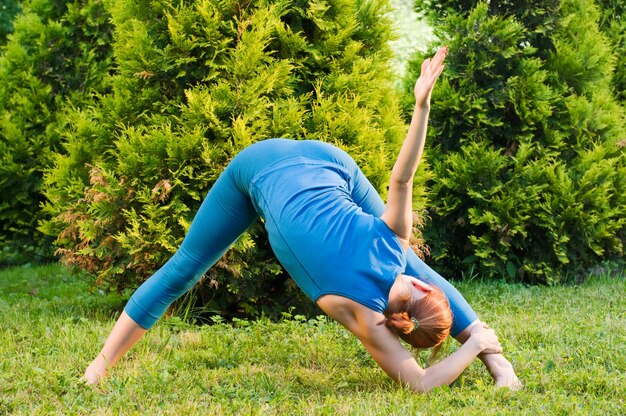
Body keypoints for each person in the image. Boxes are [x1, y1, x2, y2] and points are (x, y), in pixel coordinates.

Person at [83, 47, 520, 392]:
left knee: (183, 268)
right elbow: (420, 383)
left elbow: (402, 176)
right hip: (261, 171)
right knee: (185, 269)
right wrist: (475, 345)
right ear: (396, 328)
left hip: (320, 160)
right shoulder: (365, 318)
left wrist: (421, 106)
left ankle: (97, 370)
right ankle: (500, 367)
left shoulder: (392, 239)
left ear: (421, 296)